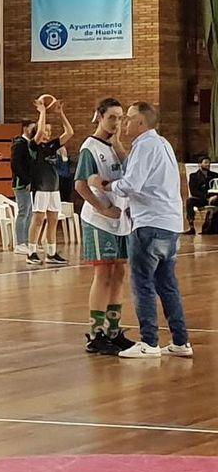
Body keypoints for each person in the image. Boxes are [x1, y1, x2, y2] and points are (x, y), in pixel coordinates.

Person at [91, 102, 193, 360]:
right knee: (167, 284)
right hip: (169, 225)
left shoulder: (145, 146)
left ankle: (149, 341)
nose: (123, 123)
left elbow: (131, 184)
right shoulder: (163, 144)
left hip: (149, 225)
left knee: (143, 284)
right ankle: (181, 342)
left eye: (128, 118)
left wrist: (104, 184)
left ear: (141, 123)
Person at [73, 98, 132, 356]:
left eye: (120, 118)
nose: (116, 123)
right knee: (104, 274)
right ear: (99, 116)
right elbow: (81, 185)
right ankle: (95, 333)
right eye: (112, 117)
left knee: (119, 273)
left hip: (120, 220)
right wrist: (102, 208)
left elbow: (130, 170)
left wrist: (118, 142)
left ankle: (113, 330)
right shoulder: (90, 147)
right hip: (100, 220)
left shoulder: (114, 147)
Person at [25, 96, 71, 266]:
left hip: (54, 187)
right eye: (45, 129)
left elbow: (70, 133)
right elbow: (38, 134)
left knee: (53, 220)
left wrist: (61, 114)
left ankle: (51, 253)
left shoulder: (52, 146)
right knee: (38, 220)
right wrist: (43, 112)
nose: (48, 132)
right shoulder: (33, 145)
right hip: (40, 187)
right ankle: (31, 252)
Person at [10, 119, 38, 255]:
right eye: (33, 128)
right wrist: (26, 180)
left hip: (30, 183)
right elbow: (15, 165)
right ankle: (20, 243)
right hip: (21, 183)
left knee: (30, 213)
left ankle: (27, 241)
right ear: (26, 128)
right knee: (23, 212)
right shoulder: (19, 144)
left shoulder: (30, 144)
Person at [186, 155, 213, 232]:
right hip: (202, 199)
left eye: (209, 163)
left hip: (213, 199)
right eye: (205, 162)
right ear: (200, 164)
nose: (208, 164)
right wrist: (205, 196)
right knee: (189, 201)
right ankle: (191, 225)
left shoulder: (214, 175)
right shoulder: (193, 176)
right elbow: (193, 191)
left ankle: (209, 227)